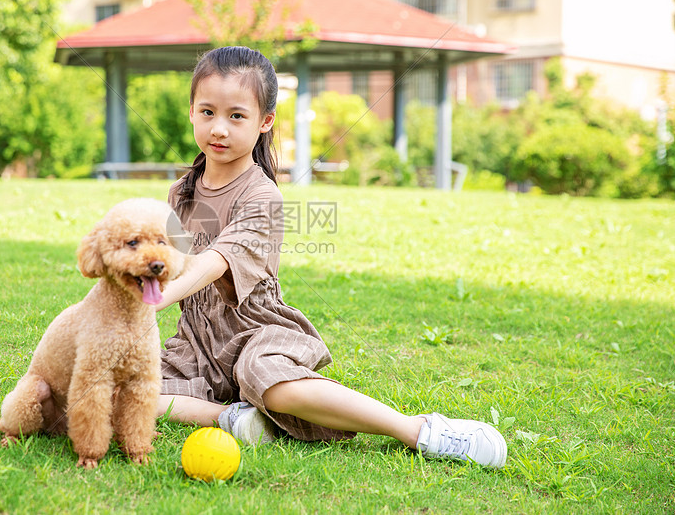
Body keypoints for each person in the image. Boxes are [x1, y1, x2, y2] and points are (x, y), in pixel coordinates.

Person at [153, 46, 507, 468]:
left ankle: (418, 430)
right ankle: (233, 418)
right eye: (208, 112)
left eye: (236, 116)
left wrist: (162, 294)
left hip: (252, 330)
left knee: (265, 378)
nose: (219, 128)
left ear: (265, 122)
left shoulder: (262, 195)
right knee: (126, 387)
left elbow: (216, 261)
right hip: (196, 337)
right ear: (191, 111)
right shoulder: (181, 192)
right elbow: (166, 260)